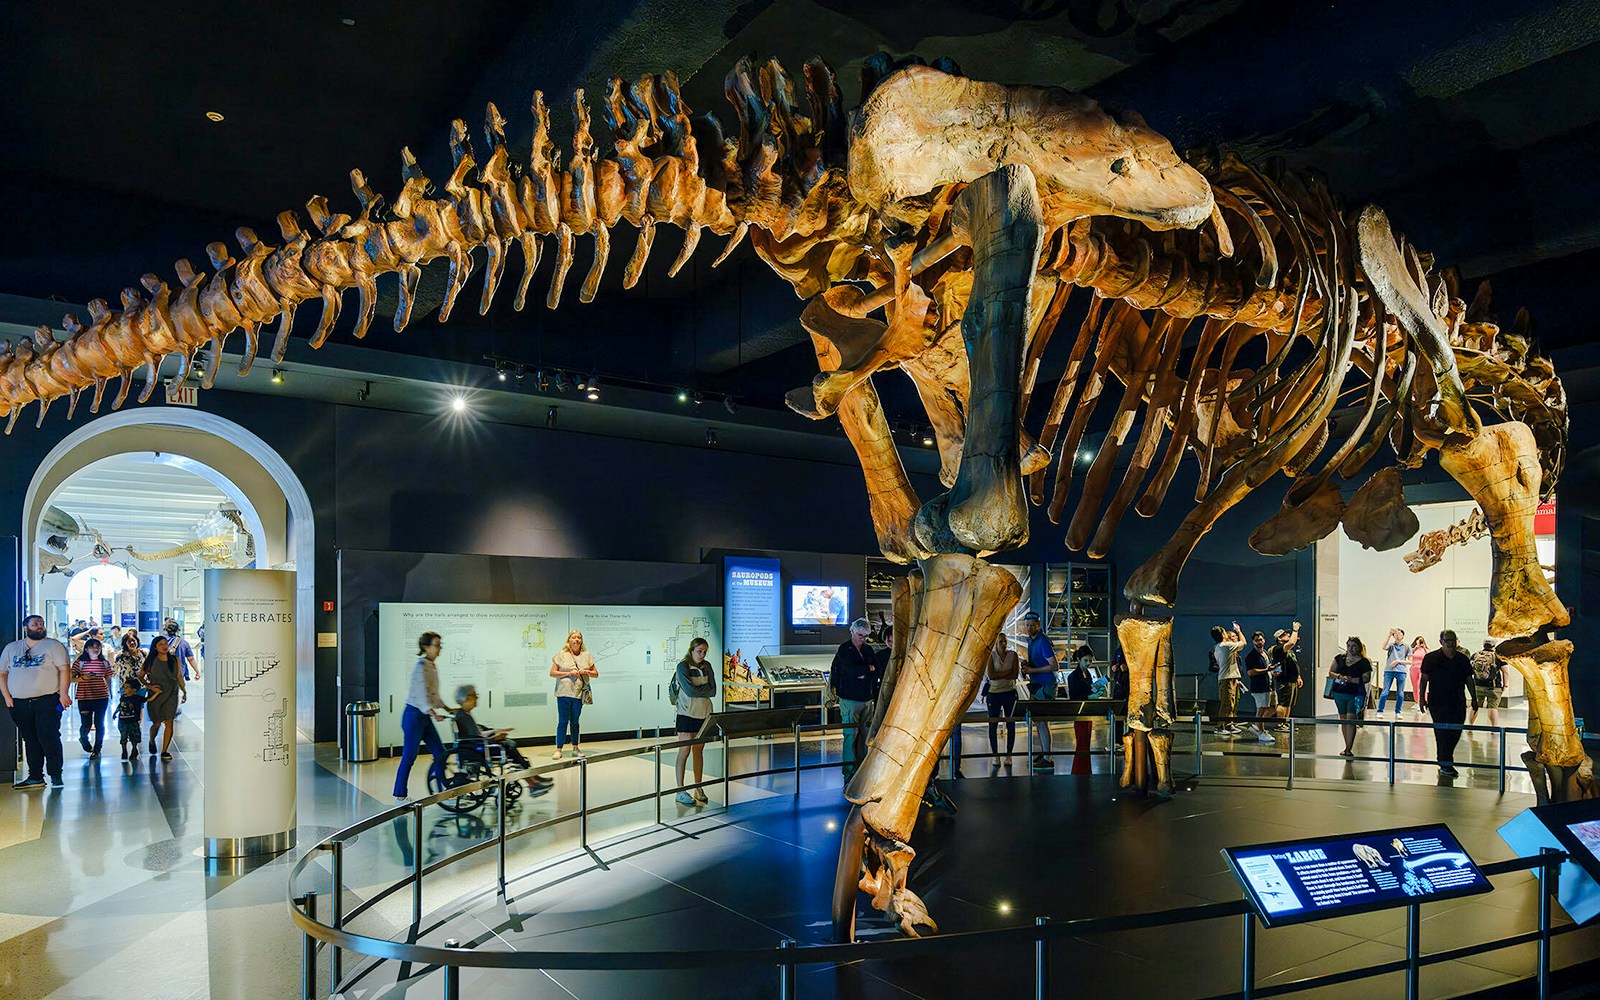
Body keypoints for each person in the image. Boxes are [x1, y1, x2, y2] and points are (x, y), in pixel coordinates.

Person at [1, 614, 73, 788]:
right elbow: (3, 673)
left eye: (41, 623)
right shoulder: (12, 648)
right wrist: (7, 697)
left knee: (49, 737)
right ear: (26, 628)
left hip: (47, 701)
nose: (39, 626)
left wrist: (63, 693)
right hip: (20, 703)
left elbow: (64, 670)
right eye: (35, 624)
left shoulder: (53, 646)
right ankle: (35, 776)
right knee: (30, 739)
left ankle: (55, 774)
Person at [452, 684, 550, 796]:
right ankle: (532, 782)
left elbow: (477, 733)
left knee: (509, 745)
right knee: (509, 747)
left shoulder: (464, 714)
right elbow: (475, 738)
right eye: (475, 695)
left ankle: (532, 778)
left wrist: (497, 732)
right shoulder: (464, 717)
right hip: (479, 749)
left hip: (477, 746)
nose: (477, 698)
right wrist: (494, 737)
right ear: (467, 698)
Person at [393, 632, 451, 801]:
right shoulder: (421, 666)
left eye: (440, 645)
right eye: (437, 645)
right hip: (414, 716)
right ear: (426, 647)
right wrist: (434, 713)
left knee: (440, 752)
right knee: (409, 755)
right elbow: (421, 696)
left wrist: (447, 708)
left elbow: (434, 695)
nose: (439, 649)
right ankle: (399, 795)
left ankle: (443, 790)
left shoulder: (432, 666)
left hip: (424, 716)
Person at [1418, 629, 1478, 776]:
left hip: (1457, 701)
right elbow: (1424, 679)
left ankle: (1445, 759)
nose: (1450, 643)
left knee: (1456, 730)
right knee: (1441, 732)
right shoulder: (1431, 658)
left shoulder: (1462, 659)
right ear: (1441, 642)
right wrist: (1421, 698)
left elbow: (1469, 679)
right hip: (1437, 702)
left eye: (1453, 640)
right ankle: (1445, 762)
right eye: (1447, 641)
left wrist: (1474, 698)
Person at [829, 618, 880, 781]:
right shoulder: (844, 649)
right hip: (850, 698)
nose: (863, 639)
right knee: (851, 734)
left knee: (865, 735)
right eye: (860, 635)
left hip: (866, 697)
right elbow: (851, 671)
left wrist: (863, 671)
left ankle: (862, 768)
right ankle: (849, 772)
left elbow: (875, 670)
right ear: (852, 632)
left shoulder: (868, 650)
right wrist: (867, 669)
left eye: (866, 636)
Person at [672, 637, 718, 805]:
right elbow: (690, 691)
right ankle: (680, 790)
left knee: (698, 751)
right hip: (686, 713)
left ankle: (698, 787)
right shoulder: (682, 666)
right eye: (699, 651)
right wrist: (703, 690)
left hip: (704, 714)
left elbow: (714, 691)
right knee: (684, 751)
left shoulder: (707, 666)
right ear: (691, 650)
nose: (702, 654)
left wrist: (701, 690)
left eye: (705, 652)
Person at [550, 630, 598, 759]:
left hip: (578, 693)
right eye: (574, 637)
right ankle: (558, 749)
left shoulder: (587, 655)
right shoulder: (561, 655)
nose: (576, 640)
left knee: (575, 722)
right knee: (562, 721)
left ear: (581, 640)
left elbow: (596, 674)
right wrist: (568, 673)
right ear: (569, 640)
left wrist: (586, 671)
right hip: (563, 693)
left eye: (579, 638)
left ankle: (575, 748)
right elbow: (552, 673)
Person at [1020, 611, 1058, 769]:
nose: (1029, 628)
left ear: (1038, 625)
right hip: (1037, 684)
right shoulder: (1031, 640)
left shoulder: (1042, 641)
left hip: (1045, 685)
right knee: (1040, 722)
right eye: (1027, 626)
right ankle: (1045, 753)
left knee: (1042, 721)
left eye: (1032, 626)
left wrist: (1032, 671)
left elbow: (1054, 665)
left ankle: (1048, 757)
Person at [141, 635, 186, 760]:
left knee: (169, 721)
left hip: (172, 692)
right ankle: (151, 740)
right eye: (160, 644)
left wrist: (184, 690)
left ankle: (165, 750)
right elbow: (140, 676)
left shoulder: (174, 660)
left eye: (165, 643)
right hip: (157, 694)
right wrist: (150, 686)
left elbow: (179, 676)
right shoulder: (151, 661)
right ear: (155, 647)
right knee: (156, 723)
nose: (164, 646)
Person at [1328, 637, 1373, 756]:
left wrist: (1353, 679)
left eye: (1354, 646)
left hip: (1355, 693)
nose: (1351, 649)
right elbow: (1331, 672)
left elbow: (1366, 678)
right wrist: (1339, 676)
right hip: (1339, 692)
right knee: (1343, 719)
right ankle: (1346, 745)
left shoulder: (1364, 662)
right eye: (1349, 646)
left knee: (1350, 719)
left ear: (1359, 647)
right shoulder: (1340, 658)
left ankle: (1349, 747)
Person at [71, 637, 114, 758]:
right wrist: (82, 678)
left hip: (101, 696)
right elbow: (70, 678)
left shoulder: (105, 663)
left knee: (99, 722)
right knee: (86, 723)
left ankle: (97, 749)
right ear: (86, 649)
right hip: (84, 697)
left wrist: (109, 692)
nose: (95, 649)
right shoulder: (80, 663)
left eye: (98, 647)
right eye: (92, 647)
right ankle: (83, 738)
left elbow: (108, 678)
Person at [984, 634, 1021, 766]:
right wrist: (1007, 673)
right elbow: (992, 675)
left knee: (1011, 723)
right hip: (994, 694)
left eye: (1005, 641)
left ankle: (1009, 755)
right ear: (996, 643)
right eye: (1000, 642)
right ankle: (995, 755)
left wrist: (1001, 675)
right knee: (993, 724)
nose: (1003, 644)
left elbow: (1015, 674)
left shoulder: (1013, 655)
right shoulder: (991, 656)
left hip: (1009, 693)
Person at [1209, 622, 1245, 735]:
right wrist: (1238, 631)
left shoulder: (1222, 646)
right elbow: (1243, 643)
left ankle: (1229, 725)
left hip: (1230, 677)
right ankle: (1220, 727)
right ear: (1223, 634)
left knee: (1231, 703)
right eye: (1225, 631)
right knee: (1226, 703)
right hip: (1227, 679)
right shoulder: (1225, 646)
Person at [114, 669, 156, 762]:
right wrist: (115, 713)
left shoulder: (137, 698)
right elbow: (120, 706)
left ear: (134, 690)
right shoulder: (123, 697)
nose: (124, 690)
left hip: (133, 721)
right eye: (124, 687)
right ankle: (124, 750)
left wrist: (156, 693)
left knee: (134, 737)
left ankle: (134, 749)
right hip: (123, 721)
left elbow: (147, 700)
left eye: (127, 688)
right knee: (123, 737)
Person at [1242, 631, 1276, 744]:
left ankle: (1258, 725)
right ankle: (1261, 731)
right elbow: (1251, 672)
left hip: (1268, 685)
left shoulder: (1265, 653)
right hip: (1259, 687)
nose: (1259, 642)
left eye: (1261, 640)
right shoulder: (1251, 657)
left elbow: (1268, 668)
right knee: (1261, 709)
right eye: (1256, 640)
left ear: (1264, 640)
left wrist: (1273, 671)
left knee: (1272, 707)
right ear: (1253, 642)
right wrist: (1266, 670)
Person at [1067, 645, 1095, 768]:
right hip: (1080, 712)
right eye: (1086, 660)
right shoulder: (1073, 676)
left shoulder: (1087, 674)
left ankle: (1083, 768)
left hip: (1087, 711)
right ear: (1078, 660)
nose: (1088, 663)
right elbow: (1074, 696)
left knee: (1085, 742)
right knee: (1082, 741)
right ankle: (1081, 769)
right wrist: (1089, 697)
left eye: (1090, 660)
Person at [1271, 622, 1303, 728]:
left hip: (1292, 680)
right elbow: (1291, 643)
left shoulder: (1289, 651)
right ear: (1279, 639)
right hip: (1284, 680)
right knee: (1283, 702)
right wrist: (1295, 630)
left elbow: (1294, 664)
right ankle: (1280, 724)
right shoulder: (1279, 649)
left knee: (1289, 703)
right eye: (1285, 635)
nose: (1288, 636)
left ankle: (1285, 722)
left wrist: (1298, 676)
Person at [1469, 640, 1505, 728]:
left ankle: (1470, 726)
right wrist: (1505, 685)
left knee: (1475, 705)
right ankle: (1494, 728)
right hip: (1493, 686)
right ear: (1494, 645)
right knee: (1492, 706)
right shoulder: (1498, 656)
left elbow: (1470, 669)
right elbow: (1505, 671)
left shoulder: (1475, 655)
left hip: (1477, 685)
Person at [1376, 627, 1410, 714]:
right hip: (1389, 670)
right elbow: (1383, 647)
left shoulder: (1406, 646)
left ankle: (1398, 712)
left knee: (1400, 693)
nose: (1398, 635)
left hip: (1401, 671)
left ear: (1403, 635)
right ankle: (1380, 711)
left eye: (1399, 634)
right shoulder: (1391, 645)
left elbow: (1410, 661)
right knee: (1385, 692)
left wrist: (1397, 661)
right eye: (1396, 634)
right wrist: (1389, 635)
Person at [1408, 636, 1429, 713]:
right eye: (1418, 640)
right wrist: (1415, 647)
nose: (1420, 642)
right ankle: (1417, 702)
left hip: (1422, 669)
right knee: (1415, 686)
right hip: (1414, 668)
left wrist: (1424, 648)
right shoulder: (1413, 649)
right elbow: (1409, 655)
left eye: (1421, 641)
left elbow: (1429, 655)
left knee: (1421, 686)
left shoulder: (1425, 649)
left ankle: (1423, 702)